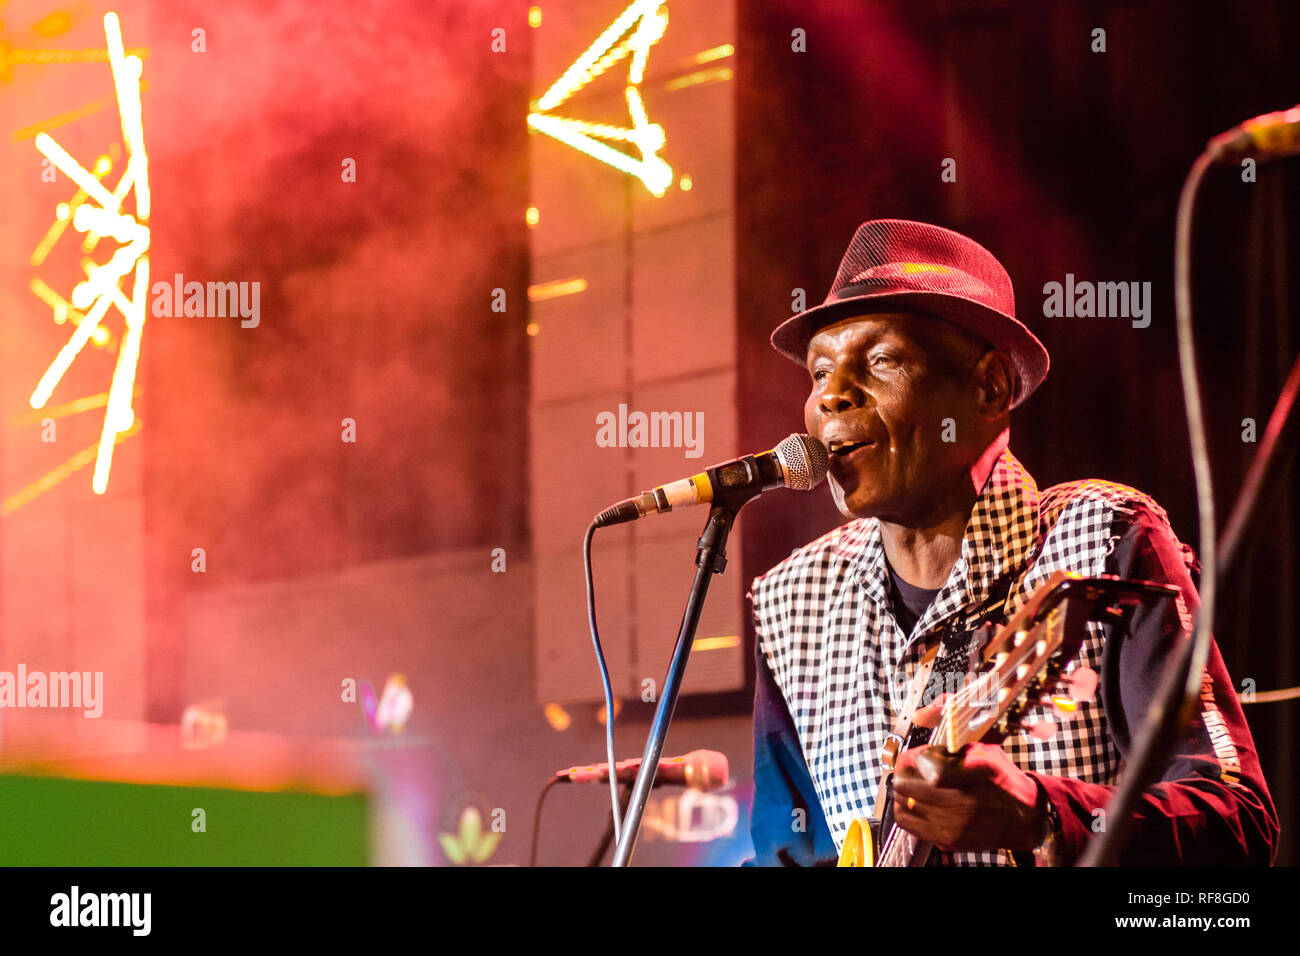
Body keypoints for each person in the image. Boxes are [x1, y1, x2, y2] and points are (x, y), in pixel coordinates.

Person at [744, 219, 1279, 866]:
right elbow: (790, 851)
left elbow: (1236, 821)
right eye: (819, 370)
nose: (832, 394)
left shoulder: (1102, 538)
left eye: (881, 360)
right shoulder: (793, 601)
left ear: (989, 387)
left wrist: (1044, 812)